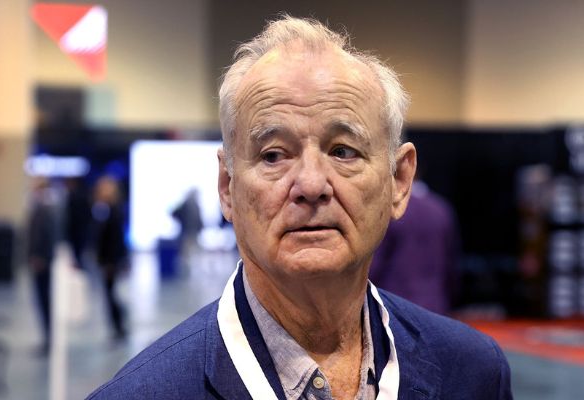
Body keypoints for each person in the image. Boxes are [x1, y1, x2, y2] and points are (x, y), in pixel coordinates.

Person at [88, 15, 512, 399]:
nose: (310, 185)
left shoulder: (474, 375)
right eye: (273, 155)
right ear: (227, 187)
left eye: (343, 151)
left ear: (399, 181)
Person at [370, 179, 460, 315]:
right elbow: (450, 267)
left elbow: (375, 264)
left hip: (394, 306)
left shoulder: (392, 211)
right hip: (435, 306)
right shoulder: (441, 209)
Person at [92, 176, 128, 339]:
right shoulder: (105, 210)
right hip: (107, 260)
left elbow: (114, 240)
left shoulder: (113, 212)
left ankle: (119, 326)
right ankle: (117, 326)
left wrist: (111, 262)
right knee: (110, 294)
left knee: (111, 295)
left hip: (110, 262)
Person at [26, 177, 58, 355]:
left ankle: (49, 339)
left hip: (42, 262)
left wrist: (41, 257)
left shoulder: (45, 209)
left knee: (44, 301)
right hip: (40, 260)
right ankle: (47, 338)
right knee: (42, 301)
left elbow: (45, 236)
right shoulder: (41, 208)